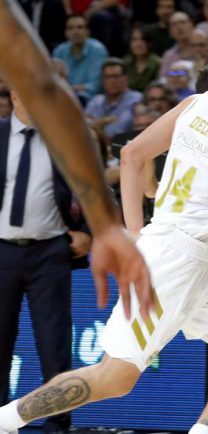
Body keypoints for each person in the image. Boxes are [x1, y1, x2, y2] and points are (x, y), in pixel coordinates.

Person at [0, 28, 208, 434]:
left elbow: (133, 154)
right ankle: (4, 420)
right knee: (116, 375)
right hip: (177, 259)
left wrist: (136, 232)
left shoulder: (194, 105)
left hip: (190, 258)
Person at [0, 0, 154, 334]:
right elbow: (42, 87)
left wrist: (99, 227)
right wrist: (106, 227)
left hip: (46, 250)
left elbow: (43, 89)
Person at [0, 90, 92, 434]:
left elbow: (90, 189)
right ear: (14, 95)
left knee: (54, 346)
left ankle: (58, 426)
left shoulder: (64, 137)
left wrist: (87, 231)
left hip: (50, 252)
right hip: (2, 250)